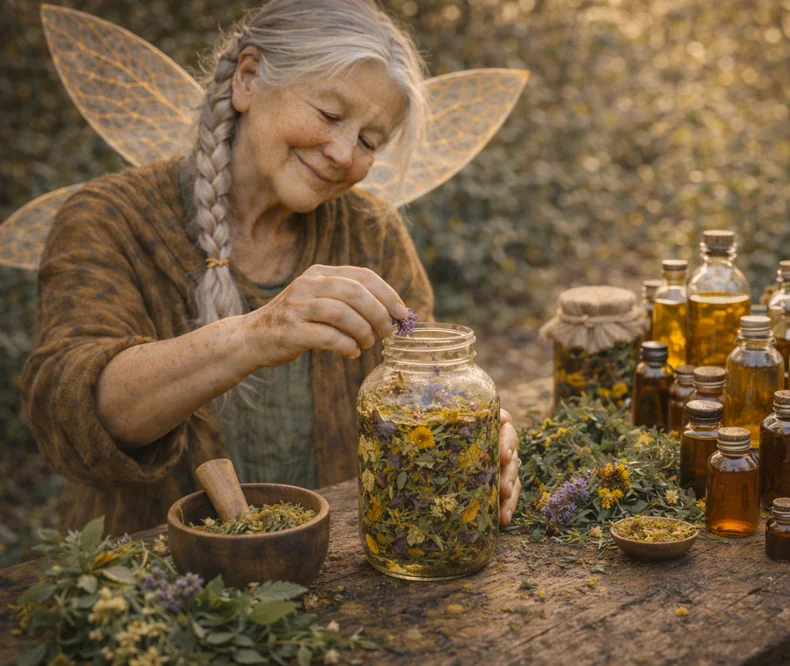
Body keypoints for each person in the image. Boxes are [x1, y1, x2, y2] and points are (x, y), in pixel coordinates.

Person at [19, 0, 522, 538]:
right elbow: (66, 415)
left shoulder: (371, 233)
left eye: (369, 141)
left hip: (336, 579)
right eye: (329, 115)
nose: (341, 152)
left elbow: (422, 381)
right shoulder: (109, 218)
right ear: (249, 79)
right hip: (150, 587)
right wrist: (255, 334)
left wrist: (466, 425)